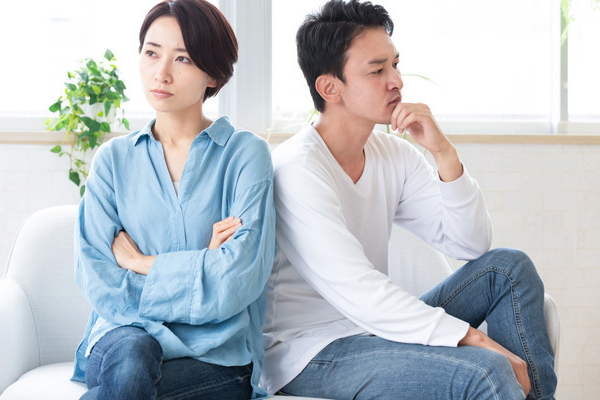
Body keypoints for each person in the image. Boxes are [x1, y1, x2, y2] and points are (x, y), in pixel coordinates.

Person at [261, 0, 557, 399]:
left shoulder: (393, 154)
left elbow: (470, 244)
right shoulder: (298, 168)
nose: (396, 81)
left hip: (372, 332)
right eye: (377, 70)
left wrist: (443, 153)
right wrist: (474, 338)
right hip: (309, 354)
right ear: (330, 88)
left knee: (508, 268)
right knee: (485, 370)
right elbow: (359, 291)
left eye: (395, 65)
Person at [70, 0, 275, 399]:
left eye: (182, 58)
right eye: (151, 53)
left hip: (215, 355)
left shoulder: (246, 155)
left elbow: (237, 280)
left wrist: (140, 263)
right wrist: (202, 266)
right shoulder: (112, 161)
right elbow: (99, 279)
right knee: (134, 358)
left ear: (214, 72)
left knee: (127, 387)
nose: (160, 73)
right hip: (123, 338)